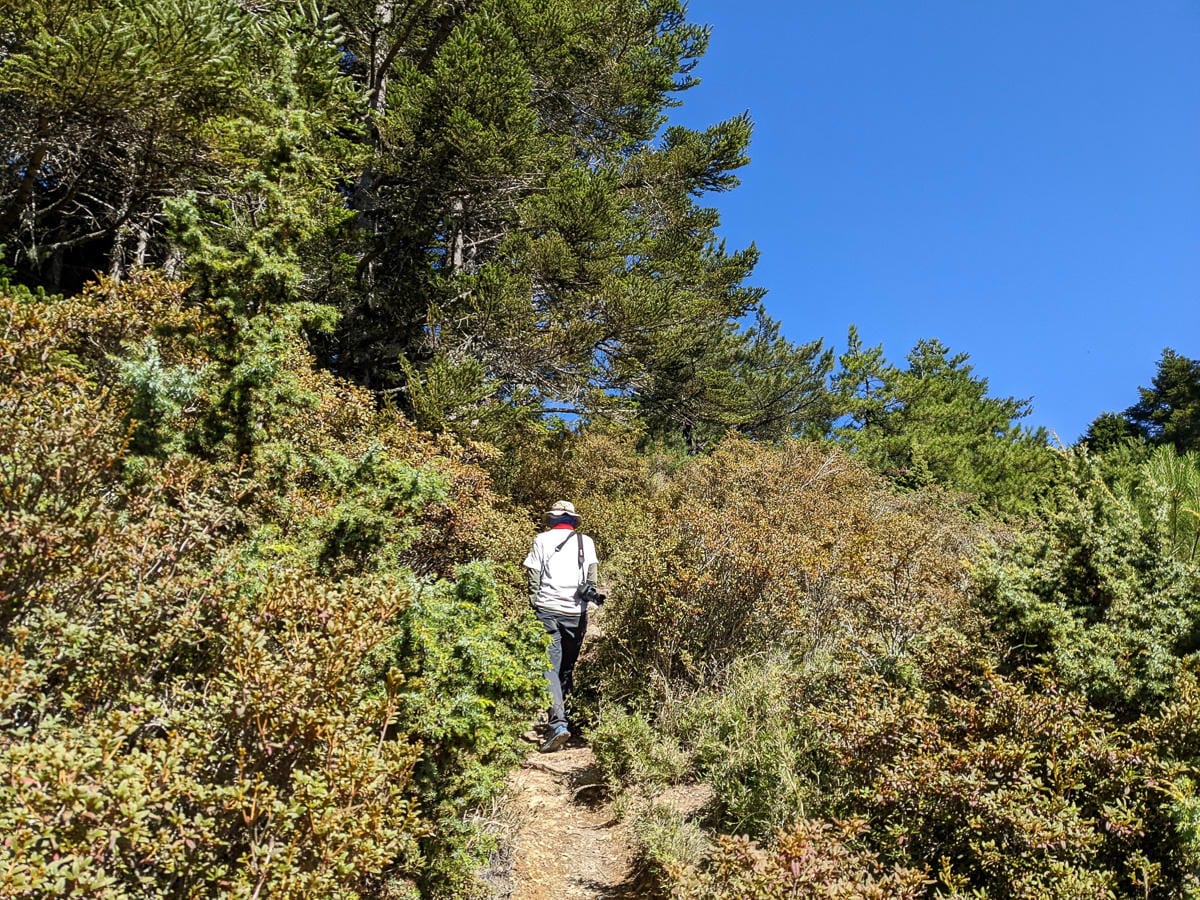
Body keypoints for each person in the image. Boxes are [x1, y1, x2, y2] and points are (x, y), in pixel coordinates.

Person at [523, 500, 599, 753]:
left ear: (553, 519)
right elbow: (592, 578)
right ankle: (565, 719)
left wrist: (535, 601)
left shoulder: (541, 540)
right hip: (576, 613)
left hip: (548, 611)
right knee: (566, 667)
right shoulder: (585, 542)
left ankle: (558, 724)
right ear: (572, 520)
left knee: (550, 668)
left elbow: (533, 576)